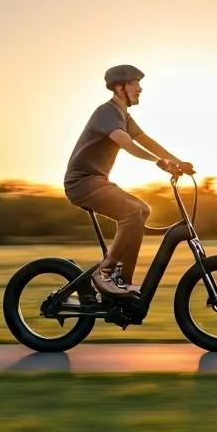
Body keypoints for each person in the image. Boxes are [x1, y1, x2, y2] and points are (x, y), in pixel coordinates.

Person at [63, 64, 194, 297]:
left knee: (142, 210)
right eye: (136, 83)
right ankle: (104, 273)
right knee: (131, 213)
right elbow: (126, 143)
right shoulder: (106, 112)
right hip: (82, 182)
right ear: (120, 87)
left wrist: (178, 162)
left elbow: (145, 140)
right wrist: (158, 162)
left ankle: (122, 281)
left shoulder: (123, 115)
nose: (140, 88)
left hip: (97, 181)